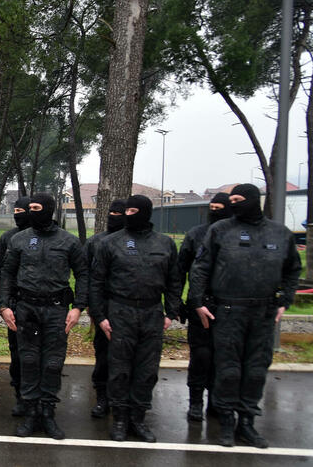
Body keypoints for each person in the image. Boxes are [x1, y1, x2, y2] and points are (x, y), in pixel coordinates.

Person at [189, 184, 301, 448]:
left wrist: (285, 300)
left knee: (256, 369)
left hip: (263, 313)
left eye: (239, 199)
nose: (234, 204)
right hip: (228, 311)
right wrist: (197, 302)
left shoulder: (279, 233)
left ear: (252, 200)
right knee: (228, 369)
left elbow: (293, 269)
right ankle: (226, 424)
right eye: (232, 200)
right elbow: (200, 268)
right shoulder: (220, 231)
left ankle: (247, 423)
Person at [89, 195, 181, 443]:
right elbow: (96, 282)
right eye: (126, 210)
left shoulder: (164, 244)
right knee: (119, 369)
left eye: (133, 210)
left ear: (146, 212)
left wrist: (171, 312)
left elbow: (175, 280)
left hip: (152, 313)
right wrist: (100, 316)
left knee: (147, 370)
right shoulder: (110, 243)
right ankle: (119, 419)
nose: (128, 214)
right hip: (119, 311)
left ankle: (138, 419)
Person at [0, 194, 88, 440]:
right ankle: (30, 413)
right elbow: (6, 273)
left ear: (49, 209)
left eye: (36, 208)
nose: (31, 211)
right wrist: (4, 305)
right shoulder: (18, 240)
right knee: (28, 361)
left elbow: (83, 275)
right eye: (29, 208)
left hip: (56, 310)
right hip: (26, 309)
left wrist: (78, 307)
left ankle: (47, 413)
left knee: (52, 363)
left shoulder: (69, 242)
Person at [177, 192, 231, 421]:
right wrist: (177, 301)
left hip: (230, 306)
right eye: (212, 207)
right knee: (200, 356)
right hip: (200, 304)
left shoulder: (235, 235)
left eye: (220, 207)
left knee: (224, 358)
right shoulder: (196, 235)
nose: (215, 211)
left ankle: (217, 402)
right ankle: (196, 402)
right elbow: (180, 270)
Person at [86, 199, 127, 419]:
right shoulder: (95, 243)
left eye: (118, 213)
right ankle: (102, 397)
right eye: (110, 212)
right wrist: (93, 309)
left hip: (132, 308)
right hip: (104, 307)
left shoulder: (136, 242)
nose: (113, 216)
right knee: (103, 355)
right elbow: (87, 277)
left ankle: (123, 399)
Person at [0, 196, 31, 417]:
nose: (17, 214)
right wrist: (1, 303)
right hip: (15, 304)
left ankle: (40, 401)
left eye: (22, 210)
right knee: (17, 353)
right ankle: (20, 395)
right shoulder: (8, 237)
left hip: (42, 304)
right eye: (15, 210)